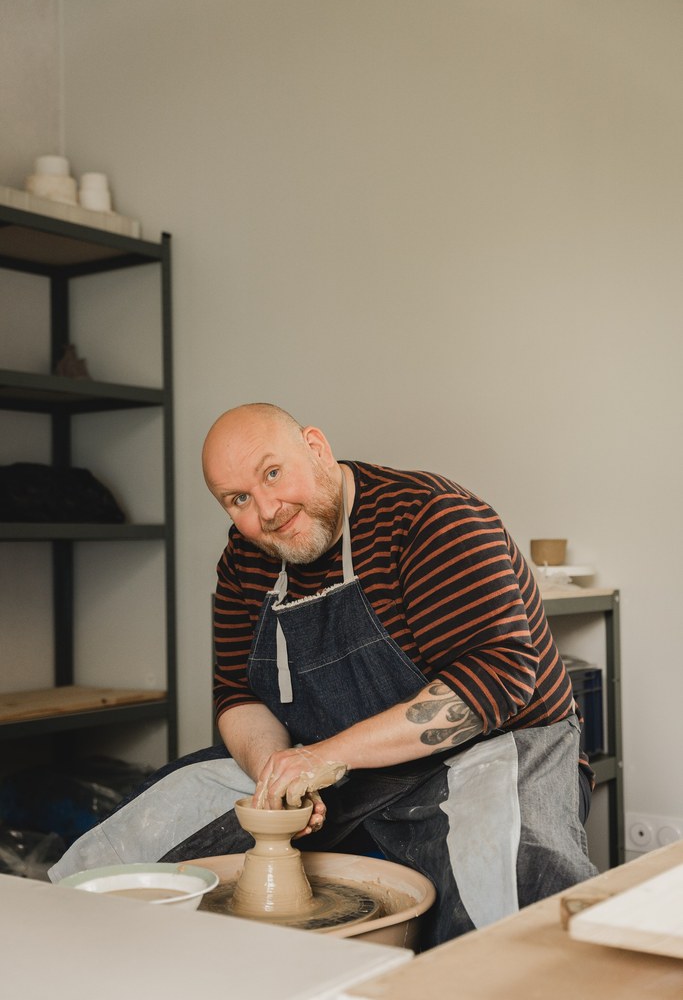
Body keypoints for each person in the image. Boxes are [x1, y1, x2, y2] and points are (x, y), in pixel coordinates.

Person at [50, 402, 597, 948]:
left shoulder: (430, 517)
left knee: (513, 889)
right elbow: (237, 695)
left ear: (316, 447)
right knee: (136, 840)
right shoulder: (244, 559)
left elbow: (495, 678)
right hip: (335, 765)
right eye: (237, 499)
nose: (266, 510)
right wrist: (278, 775)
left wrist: (322, 757)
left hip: (492, 748)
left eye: (272, 473)